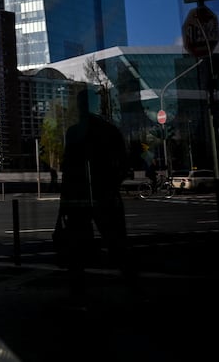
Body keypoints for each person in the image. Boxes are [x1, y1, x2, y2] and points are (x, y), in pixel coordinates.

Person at [56, 88, 135, 299]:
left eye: (78, 103)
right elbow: (124, 164)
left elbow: (68, 172)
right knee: (117, 247)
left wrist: (64, 204)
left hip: (80, 199)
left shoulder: (74, 132)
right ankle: (134, 290)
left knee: (77, 252)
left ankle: (78, 296)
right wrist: (111, 186)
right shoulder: (109, 130)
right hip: (104, 197)